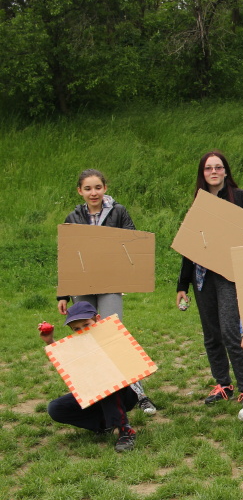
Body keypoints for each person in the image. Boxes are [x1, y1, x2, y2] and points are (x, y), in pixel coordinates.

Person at [57, 169, 157, 415]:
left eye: (98, 187)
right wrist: (63, 294)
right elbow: (68, 256)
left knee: (115, 336)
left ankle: (138, 393)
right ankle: (96, 394)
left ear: (105, 188)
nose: (94, 193)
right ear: (80, 191)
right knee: (86, 337)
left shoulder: (118, 212)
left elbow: (132, 241)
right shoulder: (74, 215)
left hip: (111, 282)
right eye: (88, 188)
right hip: (83, 284)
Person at [176, 151, 243, 406]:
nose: (214, 172)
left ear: (225, 171)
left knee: (232, 330)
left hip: (230, 275)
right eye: (209, 168)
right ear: (203, 173)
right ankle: (223, 383)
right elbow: (190, 247)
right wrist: (182, 285)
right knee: (212, 334)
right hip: (203, 276)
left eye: (218, 167)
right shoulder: (198, 202)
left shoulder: (241, 197)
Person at [39, 302, 138, 452]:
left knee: (105, 381)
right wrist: (50, 342)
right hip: (95, 395)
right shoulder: (77, 346)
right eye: (77, 329)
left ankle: (125, 430)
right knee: (56, 408)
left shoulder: (113, 338)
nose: (82, 331)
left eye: (86, 325)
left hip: (122, 394)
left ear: (98, 319)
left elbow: (131, 365)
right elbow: (68, 364)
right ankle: (104, 425)